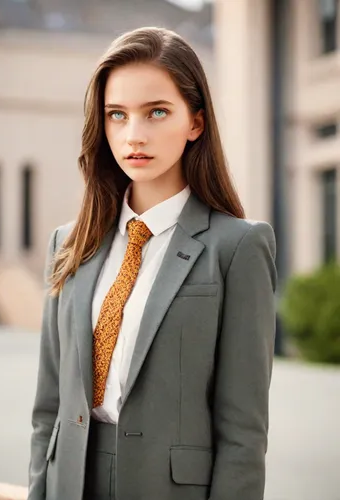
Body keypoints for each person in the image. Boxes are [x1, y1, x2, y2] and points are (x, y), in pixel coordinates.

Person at [27, 27, 277, 500]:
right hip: (70, 483)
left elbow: (244, 433)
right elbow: (49, 409)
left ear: (196, 122)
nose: (133, 135)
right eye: (116, 115)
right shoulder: (70, 242)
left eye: (156, 112)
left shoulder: (237, 247)